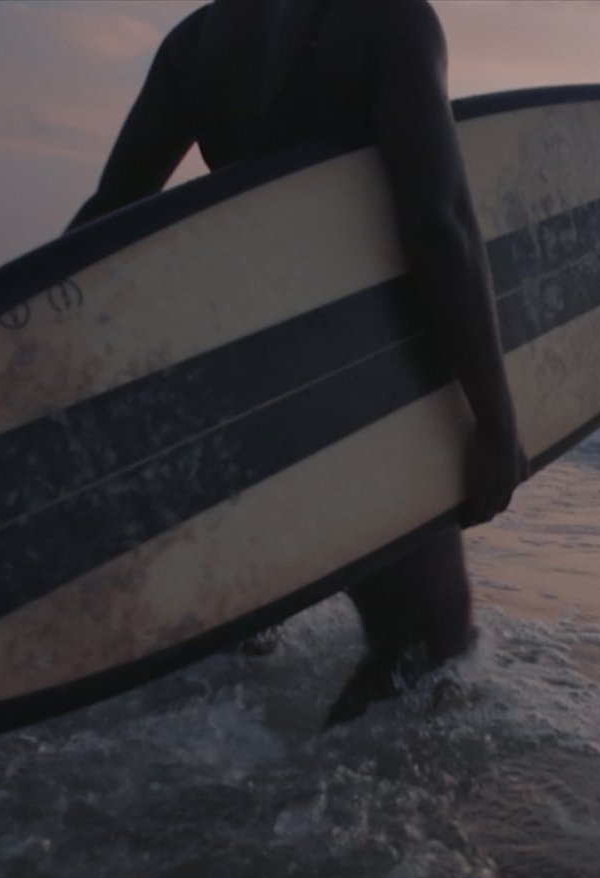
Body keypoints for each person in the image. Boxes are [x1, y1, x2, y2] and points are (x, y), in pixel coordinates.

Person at [67, 0, 526, 725]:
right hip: (350, 376)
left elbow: (108, 219)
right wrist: (496, 418)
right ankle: (292, 822)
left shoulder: (198, 40)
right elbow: (438, 221)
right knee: (425, 642)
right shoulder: (390, 19)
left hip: (226, 386)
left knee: (239, 633)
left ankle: (187, 802)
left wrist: (23, 373)